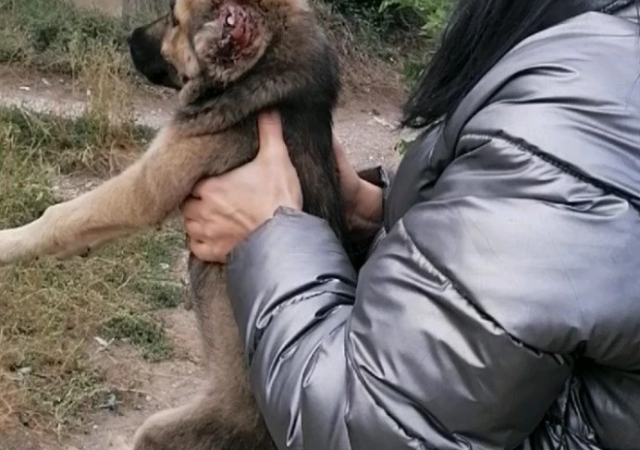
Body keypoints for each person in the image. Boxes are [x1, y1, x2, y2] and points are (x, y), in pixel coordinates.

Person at [180, 0, 640, 448]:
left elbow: (374, 426)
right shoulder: (601, 48)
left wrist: (271, 237)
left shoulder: (581, 100)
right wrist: (375, 211)